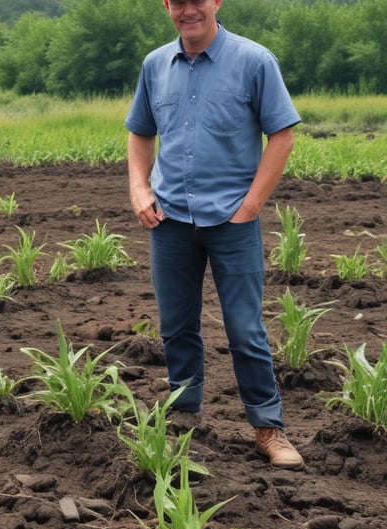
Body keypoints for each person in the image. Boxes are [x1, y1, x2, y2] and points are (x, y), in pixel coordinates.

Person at [125, 0, 304, 471]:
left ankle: (268, 428)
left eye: (196, 0)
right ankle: (185, 418)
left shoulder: (254, 61)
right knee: (177, 328)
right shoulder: (155, 65)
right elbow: (140, 132)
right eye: (178, 2)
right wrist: (140, 188)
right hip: (171, 222)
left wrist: (251, 207)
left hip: (233, 222)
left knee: (245, 330)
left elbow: (282, 134)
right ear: (167, 6)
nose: (188, 10)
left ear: (216, 2)